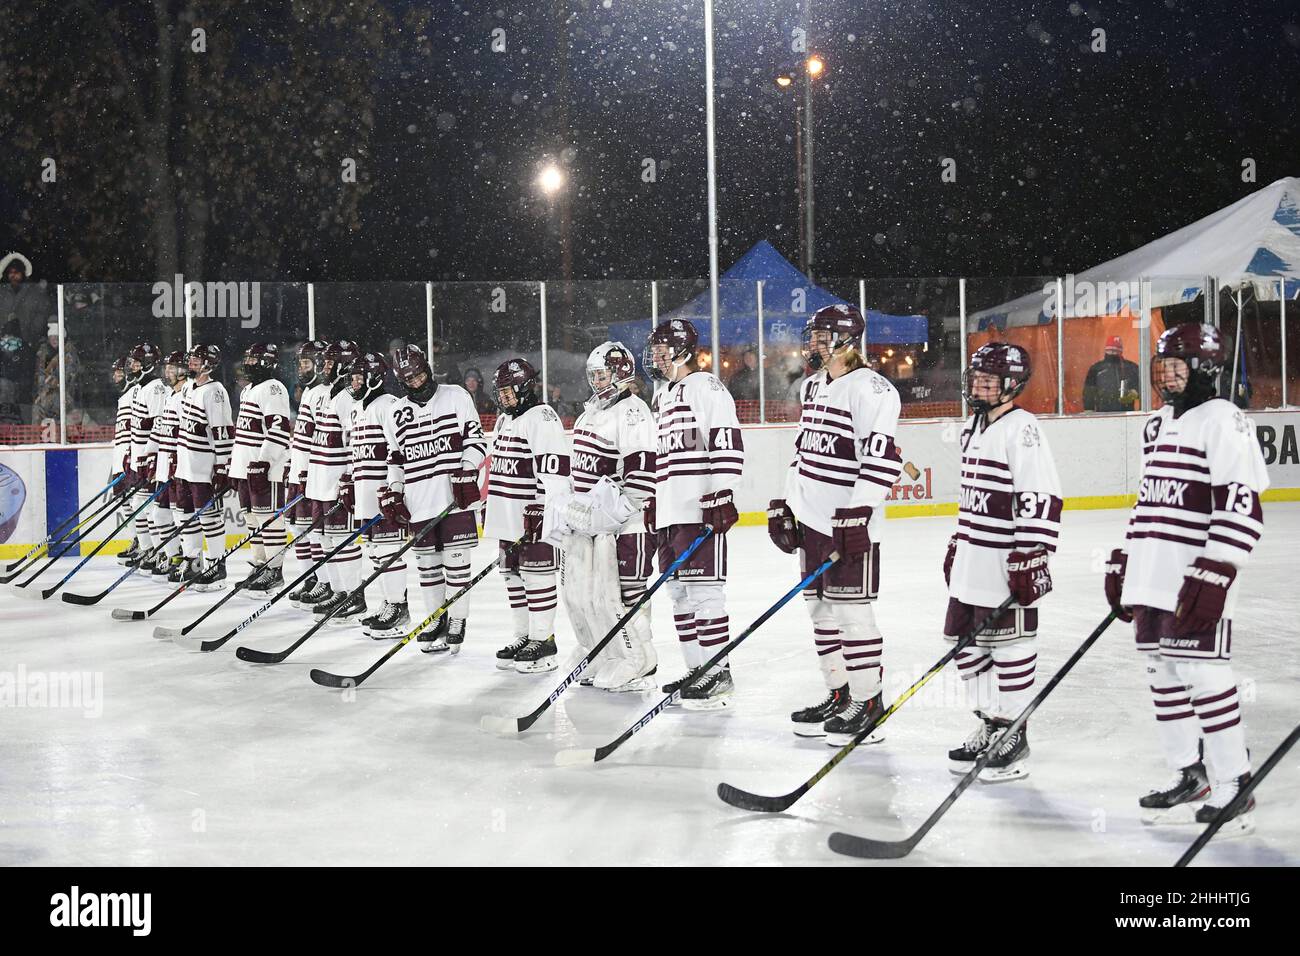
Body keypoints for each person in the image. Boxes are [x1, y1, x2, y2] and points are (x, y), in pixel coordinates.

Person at [1104, 323, 1268, 832]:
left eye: (1179, 366)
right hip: (1153, 571)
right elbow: (1147, 499)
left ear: (1206, 370)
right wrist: (1125, 558)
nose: (1168, 376)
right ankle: (1189, 773)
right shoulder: (1155, 425)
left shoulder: (1223, 419)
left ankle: (1234, 782)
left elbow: (1244, 504)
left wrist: (1217, 569)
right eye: (1164, 366)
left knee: (1204, 673)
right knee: (1161, 673)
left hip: (1196, 573)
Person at [767, 304, 904, 745]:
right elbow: (804, 452)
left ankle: (868, 702)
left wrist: (858, 511)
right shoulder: (811, 388)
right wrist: (787, 503)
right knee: (821, 612)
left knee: (852, 613)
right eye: (814, 337)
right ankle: (839, 693)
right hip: (812, 521)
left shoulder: (874, 391)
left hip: (848, 523)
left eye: (823, 337)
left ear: (847, 340)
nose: (814, 345)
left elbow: (881, 462)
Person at [943, 342, 1062, 781]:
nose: (979, 387)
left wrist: (1032, 554)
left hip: (1003, 559)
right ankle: (991, 721)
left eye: (989, 380)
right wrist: (958, 539)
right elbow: (970, 495)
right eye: (976, 379)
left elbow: (1041, 494)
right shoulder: (971, 428)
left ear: (1012, 385)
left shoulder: (1023, 428)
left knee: (1010, 647)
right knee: (966, 647)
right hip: (972, 558)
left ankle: (1014, 731)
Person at [643, 318, 745, 709]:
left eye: (661, 350)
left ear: (682, 351)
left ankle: (717, 671)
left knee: (705, 593)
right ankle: (696, 669)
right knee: (679, 593)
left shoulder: (705, 387)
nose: (655, 357)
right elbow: (662, 456)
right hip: (670, 509)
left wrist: (722, 491)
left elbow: (725, 439)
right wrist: (654, 498)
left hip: (697, 507)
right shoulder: (664, 395)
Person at [557, 341, 657, 691]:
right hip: (590, 521)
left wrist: (622, 512)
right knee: (581, 593)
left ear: (621, 373)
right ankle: (599, 651)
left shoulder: (633, 411)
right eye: (594, 375)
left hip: (626, 523)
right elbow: (579, 469)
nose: (597, 381)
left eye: (603, 374)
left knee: (621, 594)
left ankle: (639, 659)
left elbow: (641, 472)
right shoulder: (590, 413)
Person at [381, 344, 487, 653]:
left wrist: (467, 473)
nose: (417, 382)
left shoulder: (455, 396)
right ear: (401, 381)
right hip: (419, 502)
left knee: (456, 564)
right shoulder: (395, 412)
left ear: (427, 368)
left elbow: (476, 441)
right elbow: (396, 459)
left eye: (420, 374)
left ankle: (457, 619)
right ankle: (435, 618)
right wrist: (396, 491)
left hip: (454, 499)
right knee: (427, 567)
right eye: (410, 379)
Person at [485, 358, 570, 673]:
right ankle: (523, 636)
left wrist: (542, 506)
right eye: (500, 392)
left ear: (525, 387)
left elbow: (556, 470)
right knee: (512, 577)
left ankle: (543, 641)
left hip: (534, 518)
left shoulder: (542, 417)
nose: (503, 397)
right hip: (509, 517)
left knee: (537, 577)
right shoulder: (505, 420)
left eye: (508, 391)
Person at [344, 352, 407, 637]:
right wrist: (349, 481)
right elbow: (355, 452)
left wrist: (395, 489)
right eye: (353, 377)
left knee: (388, 550)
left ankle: (399, 607)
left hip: (383, 495)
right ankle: (387, 602)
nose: (355, 382)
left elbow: (399, 451)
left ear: (375, 377)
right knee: (374, 552)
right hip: (365, 493)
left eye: (360, 376)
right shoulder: (357, 409)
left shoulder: (388, 406)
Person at [301, 341, 362, 620]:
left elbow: (354, 445)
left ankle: (353, 594)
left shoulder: (350, 398)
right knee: (324, 538)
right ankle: (338, 591)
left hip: (337, 481)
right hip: (319, 479)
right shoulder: (324, 394)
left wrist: (349, 478)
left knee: (342, 540)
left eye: (329, 362)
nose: (324, 367)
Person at [230, 343, 293, 596]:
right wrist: (233, 466)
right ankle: (260, 564)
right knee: (252, 519)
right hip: (246, 467)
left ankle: (274, 570)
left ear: (267, 362)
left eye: (254, 359)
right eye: (247, 358)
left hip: (266, 469)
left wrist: (264, 461)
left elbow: (279, 428)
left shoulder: (273, 389)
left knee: (269, 520)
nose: (249, 363)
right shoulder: (248, 390)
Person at [173, 343, 234, 590]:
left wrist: (222, 466)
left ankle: (216, 565)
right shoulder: (188, 387)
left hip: (203, 466)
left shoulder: (215, 391)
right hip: (185, 465)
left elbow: (222, 430)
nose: (191, 364)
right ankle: (193, 560)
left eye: (197, 361)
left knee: (209, 517)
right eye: (191, 360)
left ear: (209, 364)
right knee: (184, 515)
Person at [285, 341, 328, 606]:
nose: (302, 368)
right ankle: (311, 579)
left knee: (317, 532)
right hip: (299, 471)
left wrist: (307, 471)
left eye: (306, 362)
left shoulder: (325, 392)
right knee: (297, 526)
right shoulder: (309, 393)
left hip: (313, 475)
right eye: (300, 363)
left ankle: (324, 582)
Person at [123, 343, 171, 568]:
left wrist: (150, 457)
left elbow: (159, 426)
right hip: (139, 459)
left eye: (136, 362)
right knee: (138, 505)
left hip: (151, 460)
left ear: (149, 364)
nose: (131, 366)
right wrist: (131, 455)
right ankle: (148, 549)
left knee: (153, 509)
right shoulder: (138, 388)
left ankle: (161, 552)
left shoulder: (155, 388)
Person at [148, 350, 190, 579]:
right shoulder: (170, 395)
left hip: (178, 467)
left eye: (173, 367)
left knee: (179, 516)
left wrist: (177, 462)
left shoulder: (186, 395)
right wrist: (151, 457)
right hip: (165, 467)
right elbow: (161, 431)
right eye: (167, 367)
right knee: (160, 516)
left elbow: (187, 435)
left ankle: (190, 559)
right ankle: (173, 555)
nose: (168, 371)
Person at [111, 355, 142, 564]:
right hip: (120, 455)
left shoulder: (135, 394)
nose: (116, 377)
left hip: (130, 457)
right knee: (125, 502)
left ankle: (144, 542)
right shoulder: (124, 396)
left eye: (120, 372)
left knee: (138, 501)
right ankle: (137, 539)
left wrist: (130, 455)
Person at [1082, 336, 1140, 412]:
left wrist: (1135, 393)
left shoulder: (1131, 367)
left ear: (1121, 351)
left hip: (1126, 414)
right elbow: (1089, 391)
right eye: (1110, 350)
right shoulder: (1096, 369)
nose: (1112, 353)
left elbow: (1142, 388)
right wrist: (1089, 409)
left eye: (1115, 350)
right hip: (1103, 414)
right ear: (1106, 350)